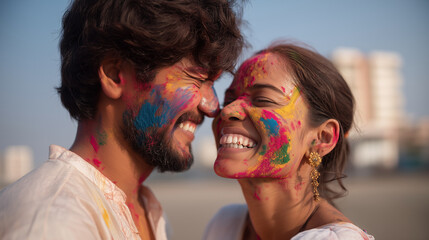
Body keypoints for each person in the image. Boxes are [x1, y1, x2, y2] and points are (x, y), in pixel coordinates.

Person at [0, 0, 244, 239]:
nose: (213, 107)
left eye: (211, 83)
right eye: (196, 79)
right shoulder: (54, 221)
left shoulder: (148, 209)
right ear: (115, 76)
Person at [204, 42, 374, 239]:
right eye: (228, 100)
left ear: (322, 138)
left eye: (262, 100)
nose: (227, 111)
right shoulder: (225, 224)